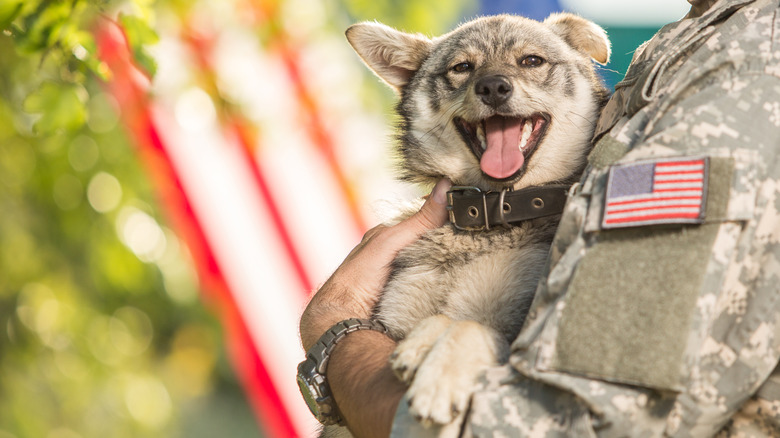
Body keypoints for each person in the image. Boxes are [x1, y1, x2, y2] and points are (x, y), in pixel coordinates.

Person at [299, 0, 780, 435]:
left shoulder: (750, 58)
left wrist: (335, 329)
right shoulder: (690, 38)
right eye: (462, 70)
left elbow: (552, 417)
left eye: (530, 61)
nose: (492, 80)